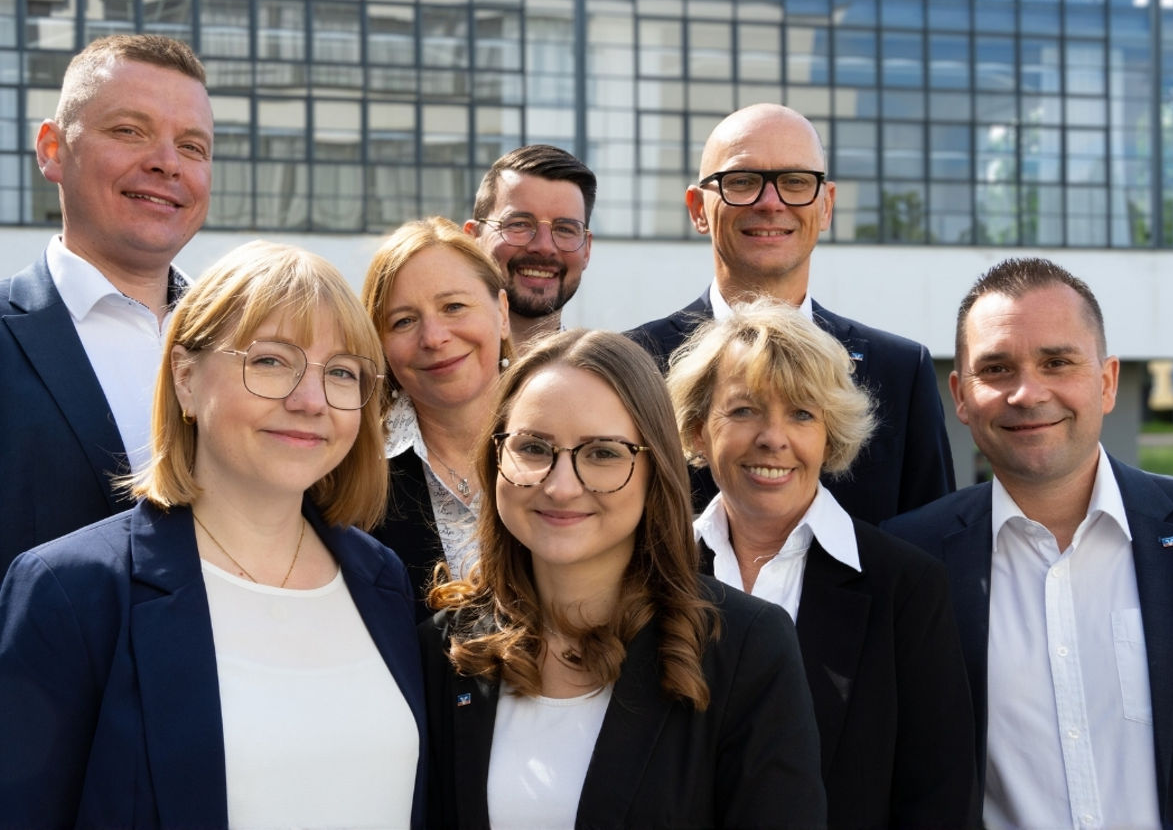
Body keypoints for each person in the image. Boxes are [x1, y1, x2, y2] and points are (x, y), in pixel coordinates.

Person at [0, 242, 426, 828]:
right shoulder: (73, 591)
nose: (310, 400)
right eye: (272, 361)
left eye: (342, 373)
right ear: (185, 379)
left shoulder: (381, 579)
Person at [883, 258, 1173, 827]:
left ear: (1106, 382)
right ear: (961, 395)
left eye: (1057, 362)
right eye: (997, 368)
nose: (1028, 392)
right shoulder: (910, 558)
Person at [421, 329, 826, 829]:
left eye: (603, 453)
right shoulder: (445, 648)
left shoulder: (745, 648)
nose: (561, 486)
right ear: (495, 458)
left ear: (655, 471)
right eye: (533, 447)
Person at [667, 298, 977, 829]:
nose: (773, 437)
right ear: (698, 428)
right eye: (743, 410)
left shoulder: (906, 586)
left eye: (802, 414)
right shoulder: (655, 571)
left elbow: (939, 802)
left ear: (829, 435)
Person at [628, 103, 953, 526]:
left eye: (796, 181)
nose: (769, 202)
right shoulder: (631, 364)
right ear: (697, 208)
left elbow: (931, 551)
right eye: (741, 181)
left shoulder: (900, 373)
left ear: (826, 205)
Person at [0, 33, 213, 573]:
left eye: (192, 146)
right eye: (128, 131)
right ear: (52, 149)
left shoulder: (249, 339)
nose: (168, 163)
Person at [362, 216, 512, 612]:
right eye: (404, 321)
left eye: (454, 307)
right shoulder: (353, 472)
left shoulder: (567, 436)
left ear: (502, 313)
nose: (434, 337)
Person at [463, 144, 595, 348]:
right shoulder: (424, 371)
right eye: (519, 224)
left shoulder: (608, 378)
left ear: (586, 250)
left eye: (564, 229)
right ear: (473, 239)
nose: (544, 246)